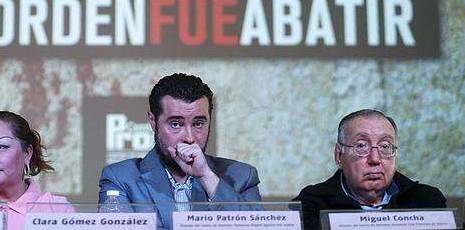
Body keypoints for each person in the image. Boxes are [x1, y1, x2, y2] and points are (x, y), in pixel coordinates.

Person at [99, 73, 261, 229]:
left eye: (198, 124)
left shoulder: (241, 177)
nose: (189, 138)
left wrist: (206, 177)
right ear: (153, 122)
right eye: (176, 124)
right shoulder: (121, 178)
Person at [293, 109, 447, 230]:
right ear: (339, 155)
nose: (375, 159)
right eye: (361, 146)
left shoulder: (427, 200)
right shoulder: (311, 204)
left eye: (385, 147)